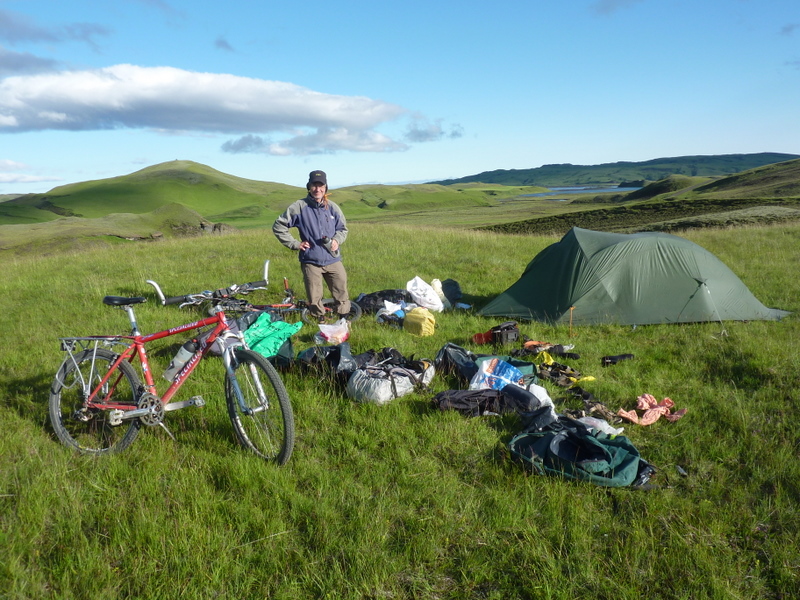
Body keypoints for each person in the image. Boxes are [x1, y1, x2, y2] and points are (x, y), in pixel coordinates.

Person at [272, 170, 351, 321]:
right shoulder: (299, 207)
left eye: (321, 186)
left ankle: (344, 319)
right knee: (314, 296)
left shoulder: (333, 207)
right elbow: (279, 225)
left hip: (333, 259)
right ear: (309, 187)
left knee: (341, 292)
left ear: (326, 187)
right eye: (314, 185)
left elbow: (342, 229)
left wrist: (337, 240)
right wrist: (294, 243)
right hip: (311, 261)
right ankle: (320, 321)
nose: (317, 189)